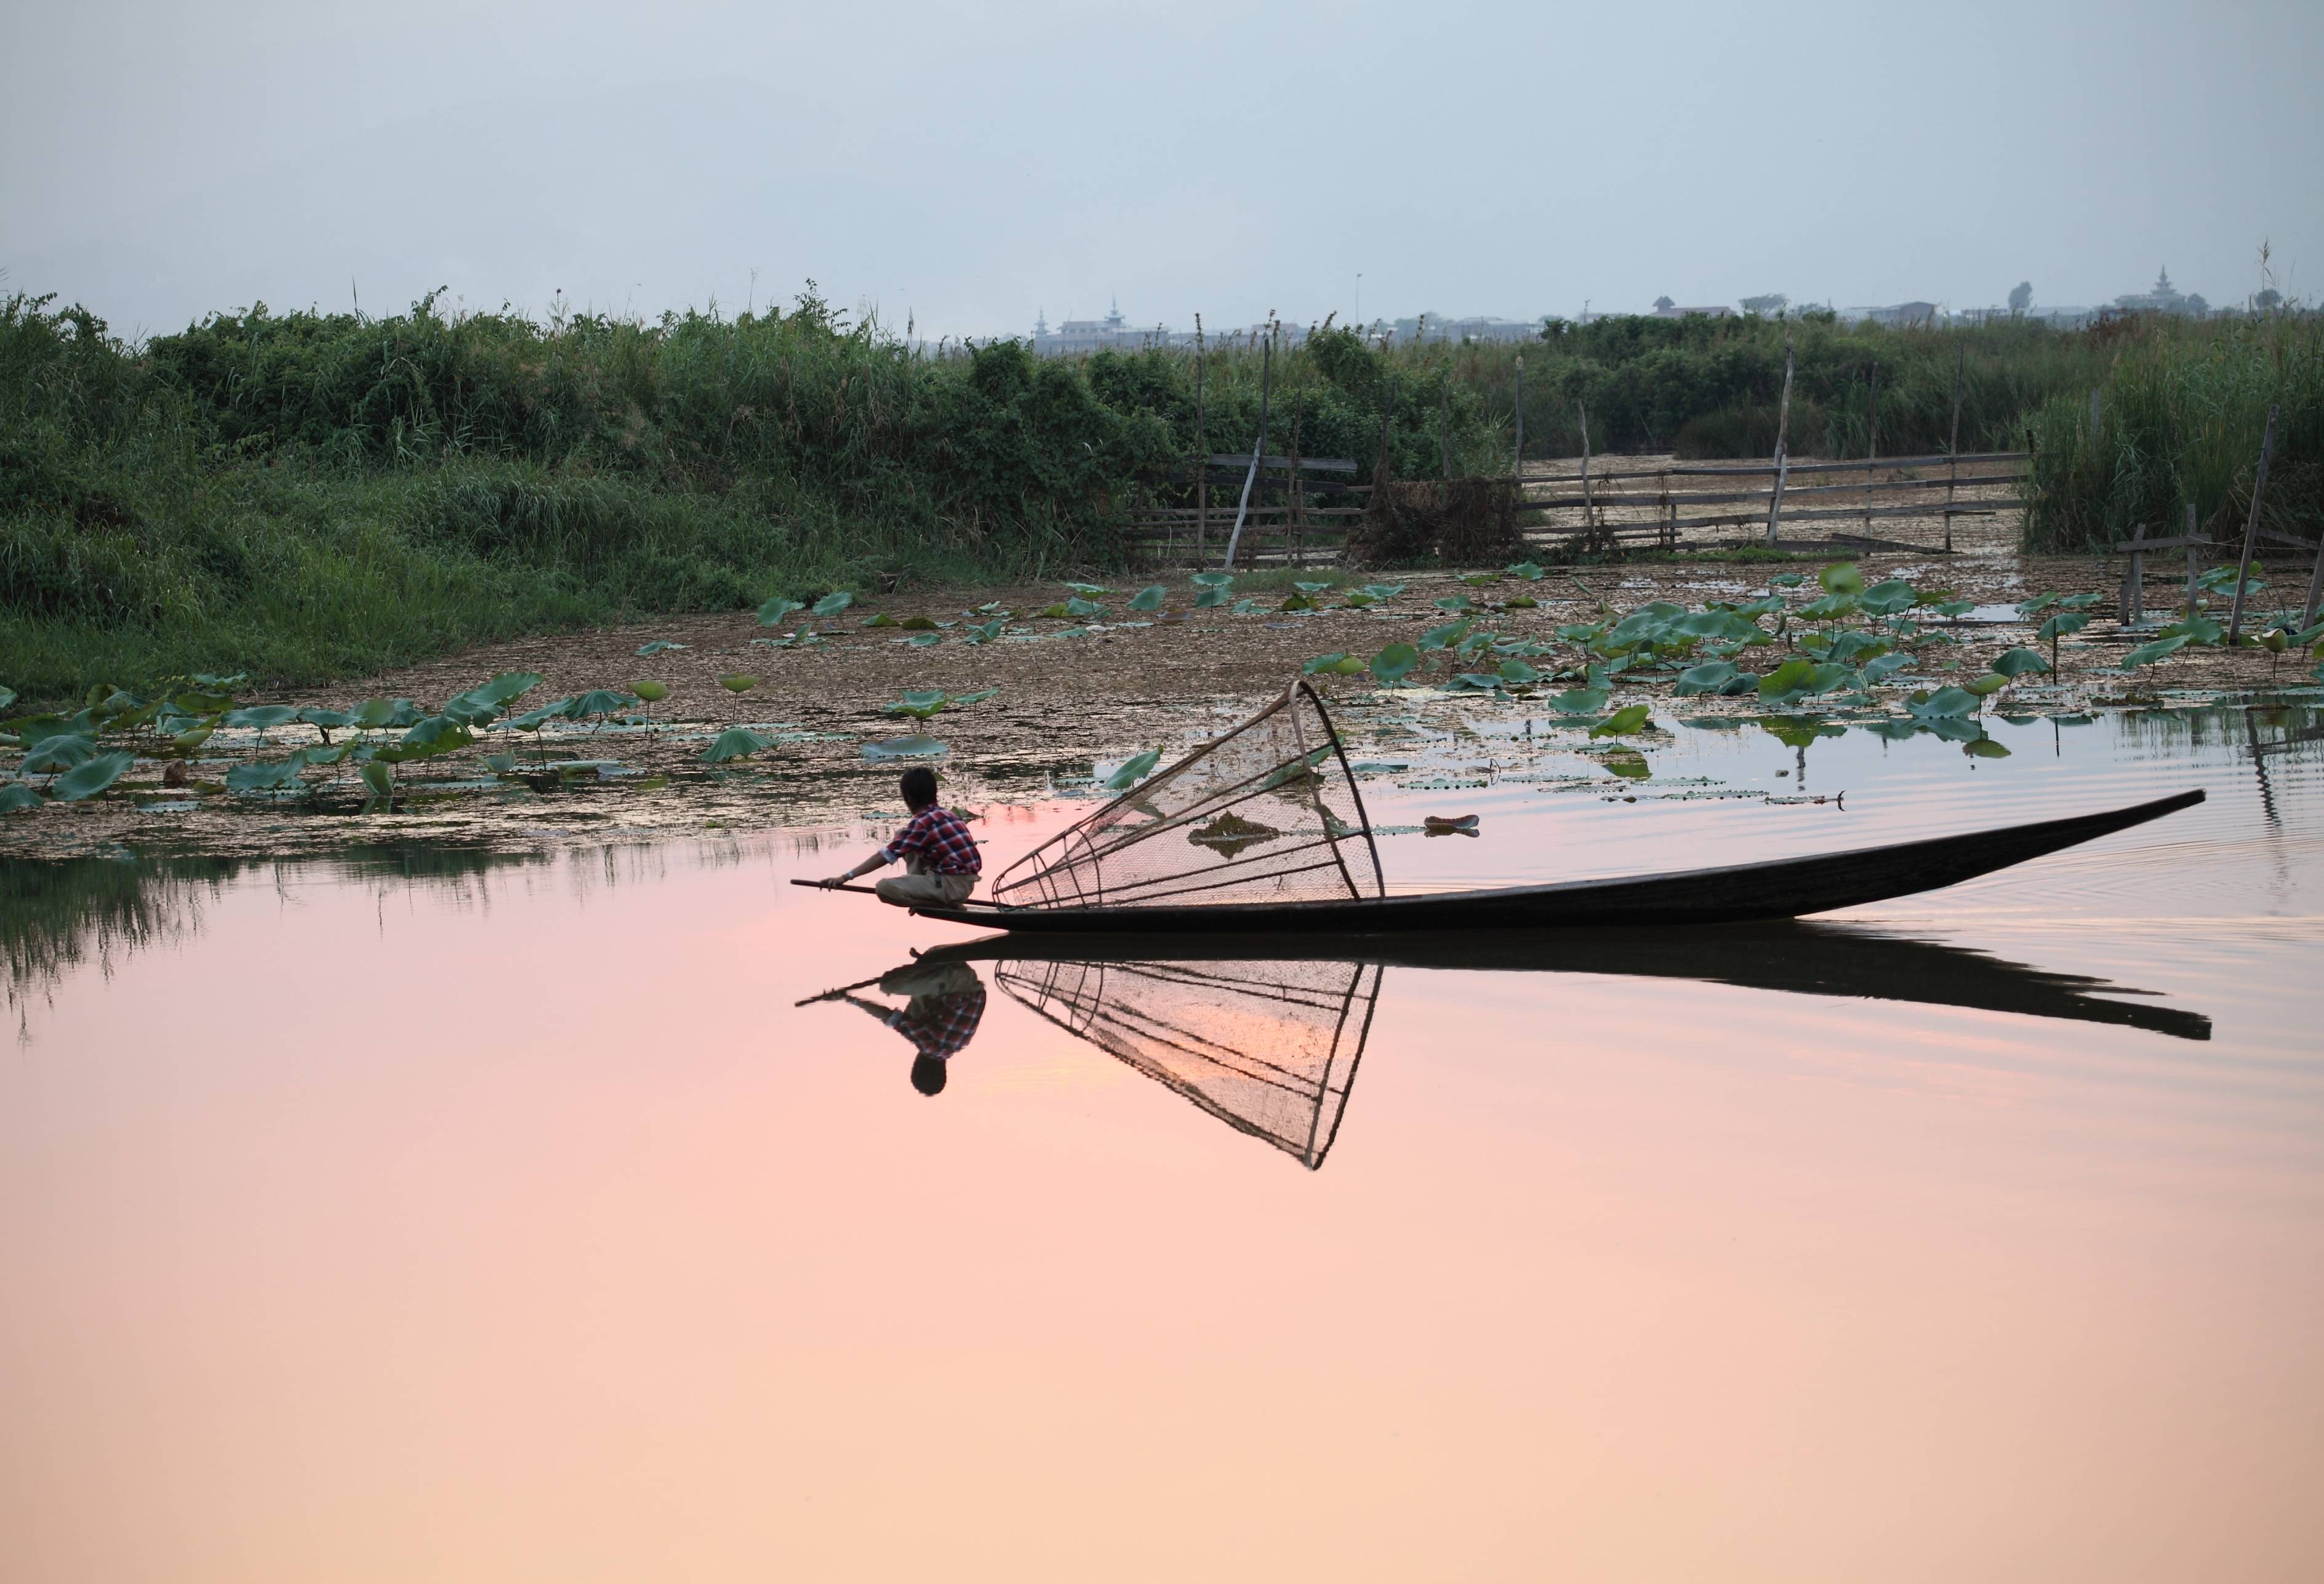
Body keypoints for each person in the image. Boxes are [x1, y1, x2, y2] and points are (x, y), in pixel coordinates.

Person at [818, 766, 981, 906]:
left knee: (884, 888)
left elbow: (886, 855)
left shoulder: (922, 822)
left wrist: (845, 877)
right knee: (901, 835)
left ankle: (933, 901)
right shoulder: (946, 814)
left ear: (908, 798)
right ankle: (923, 889)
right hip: (963, 882)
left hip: (952, 887)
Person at [837, 960, 987, 1095]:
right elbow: (889, 1017)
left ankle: (927, 970)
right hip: (954, 979)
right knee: (888, 985)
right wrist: (851, 1000)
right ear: (918, 1066)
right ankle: (930, 968)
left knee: (914, 1019)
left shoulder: (959, 1045)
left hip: (968, 981)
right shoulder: (930, 1047)